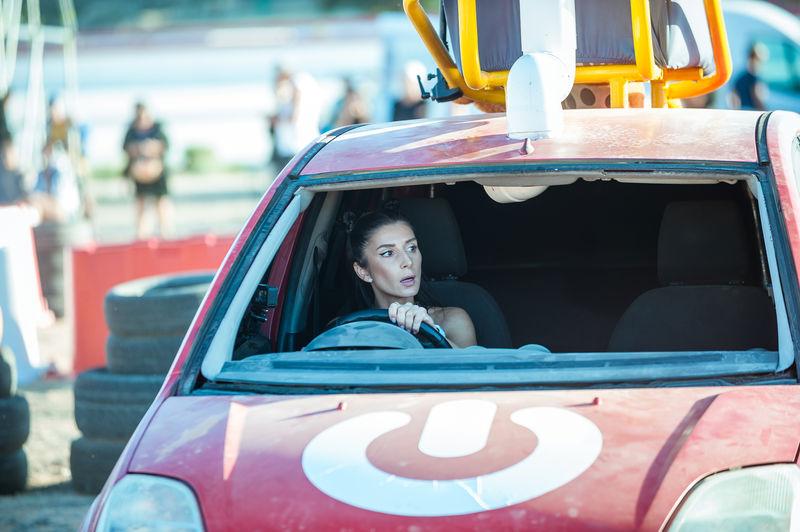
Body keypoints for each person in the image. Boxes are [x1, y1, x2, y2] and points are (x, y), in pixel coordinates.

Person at [346, 205, 477, 348]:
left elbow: (471, 363)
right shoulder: (348, 332)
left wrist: (432, 333)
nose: (408, 261)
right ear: (363, 272)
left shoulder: (452, 321)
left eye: (411, 248)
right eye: (388, 253)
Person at [123, 101, 171, 239]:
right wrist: (138, 149)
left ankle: (165, 230)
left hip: (157, 170)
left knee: (161, 200)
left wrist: (152, 147)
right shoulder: (131, 131)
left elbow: (165, 145)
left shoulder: (157, 128)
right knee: (141, 201)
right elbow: (125, 148)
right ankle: (141, 233)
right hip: (139, 171)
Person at [732, 43, 769, 111]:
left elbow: (734, 99)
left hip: (743, 112)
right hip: (754, 113)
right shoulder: (755, 79)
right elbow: (757, 99)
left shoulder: (740, 78)